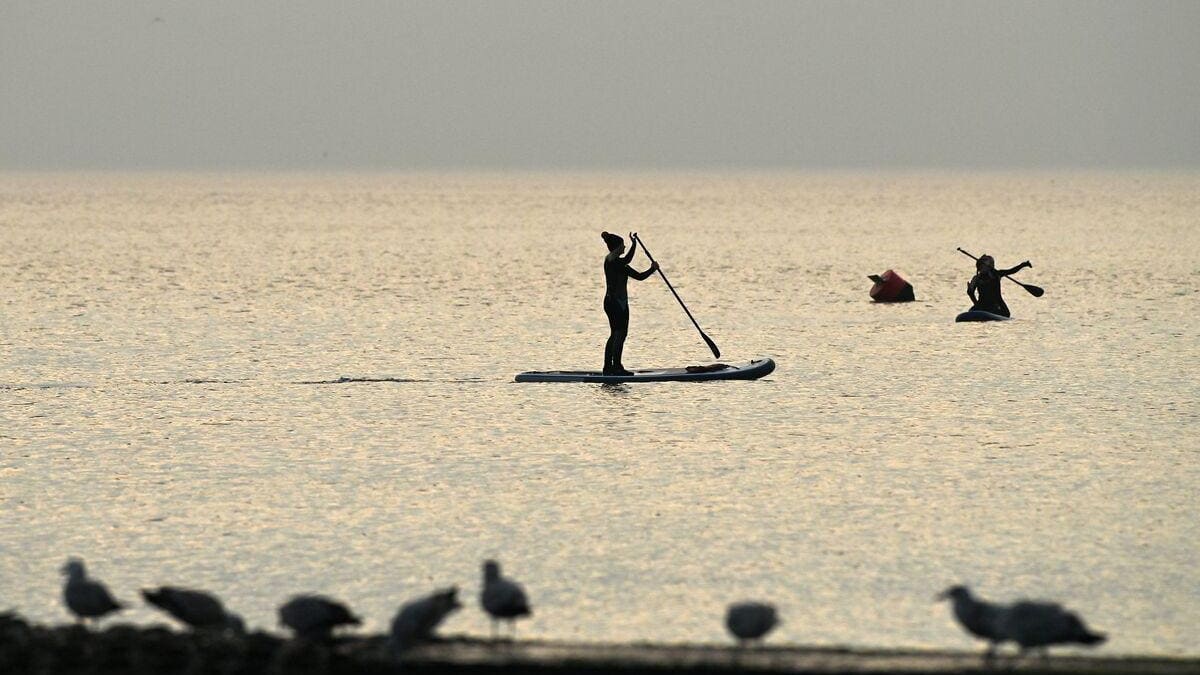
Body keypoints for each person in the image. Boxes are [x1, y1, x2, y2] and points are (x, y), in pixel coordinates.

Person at [601, 231, 658, 375]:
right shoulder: (617, 264)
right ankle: (617, 367)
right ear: (617, 248)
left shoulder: (611, 262)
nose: (624, 247)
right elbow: (638, 275)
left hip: (614, 302)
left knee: (615, 333)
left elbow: (631, 264)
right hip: (616, 304)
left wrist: (634, 245)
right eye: (623, 246)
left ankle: (608, 367)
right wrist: (652, 269)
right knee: (619, 334)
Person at [967, 254, 1032, 317]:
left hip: (996, 305)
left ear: (989, 267)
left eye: (983, 266)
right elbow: (971, 293)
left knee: (1006, 314)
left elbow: (1012, 271)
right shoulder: (976, 279)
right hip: (981, 305)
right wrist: (972, 295)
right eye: (981, 267)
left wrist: (1023, 265)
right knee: (972, 310)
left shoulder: (996, 274)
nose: (982, 269)